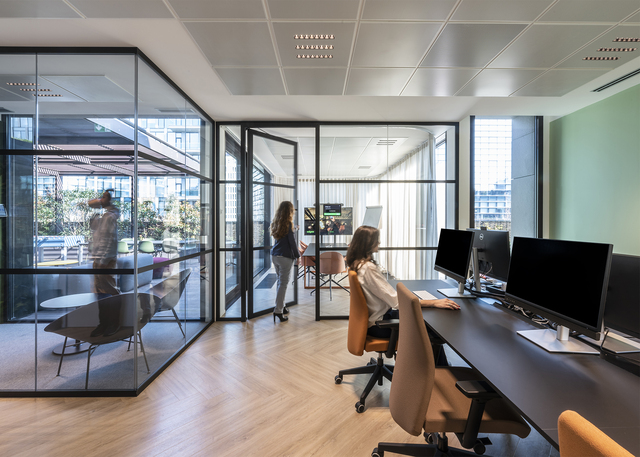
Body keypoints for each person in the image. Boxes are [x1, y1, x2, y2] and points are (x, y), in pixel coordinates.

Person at [346, 225, 460, 338]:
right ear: (367, 243)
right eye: (376, 240)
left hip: (379, 318)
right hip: (381, 325)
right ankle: (420, 355)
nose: (379, 242)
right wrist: (434, 302)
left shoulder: (357, 264)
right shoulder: (368, 268)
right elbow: (397, 302)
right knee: (433, 330)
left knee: (426, 319)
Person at [270, 201, 300, 323]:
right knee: (283, 284)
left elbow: (282, 238)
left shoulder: (275, 223)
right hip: (285, 258)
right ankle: (278, 311)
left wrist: (294, 230)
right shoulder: (288, 224)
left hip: (275, 256)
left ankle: (281, 306)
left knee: (280, 282)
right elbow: (292, 243)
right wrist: (298, 256)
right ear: (289, 211)